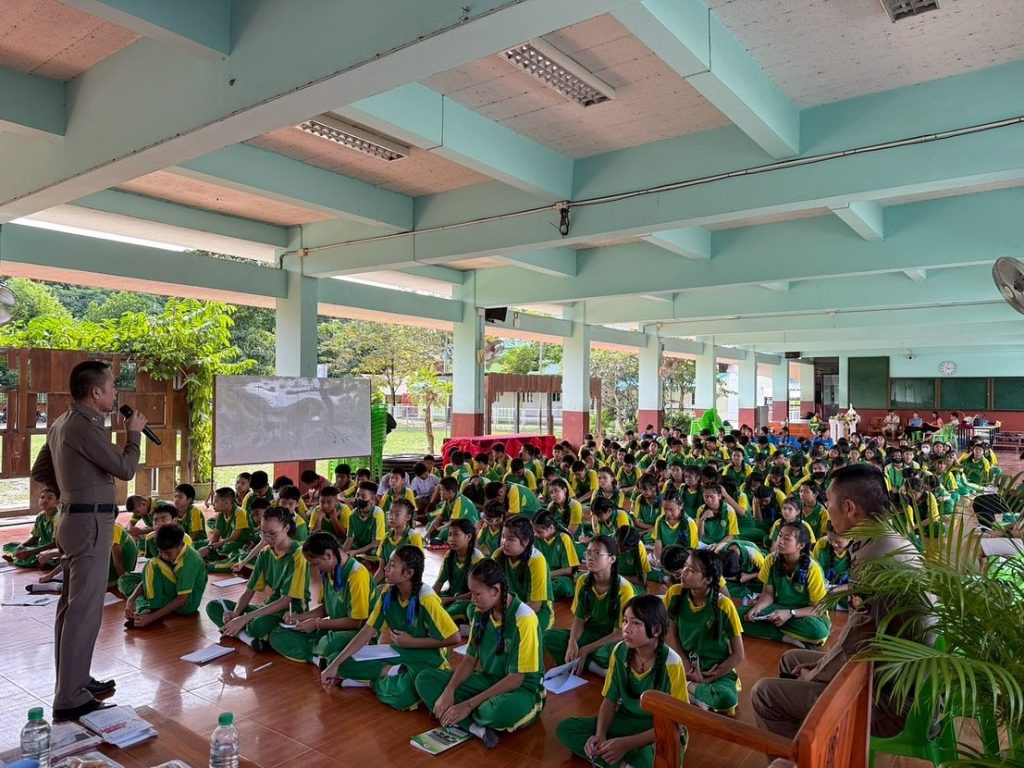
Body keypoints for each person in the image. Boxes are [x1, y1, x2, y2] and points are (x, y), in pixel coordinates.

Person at [751, 463, 922, 739]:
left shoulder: (876, 559)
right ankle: (813, 745)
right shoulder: (886, 541)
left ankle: (808, 754)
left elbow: (858, 641)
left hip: (889, 698)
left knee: (765, 694)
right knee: (791, 659)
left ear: (849, 508)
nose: (826, 508)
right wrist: (819, 671)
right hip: (878, 670)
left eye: (829, 502)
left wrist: (815, 675)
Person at [30, 359, 147, 719]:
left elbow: (40, 470)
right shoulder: (83, 426)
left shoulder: (62, 423)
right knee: (84, 611)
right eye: (111, 387)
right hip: (89, 524)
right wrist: (133, 434)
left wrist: (71, 489)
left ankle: (75, 680)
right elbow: (125, 468)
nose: (115, 394)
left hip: (74, 520)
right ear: (96, 392)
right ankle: (70, 696)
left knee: (72, 607)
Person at [415, 559, 546, 749]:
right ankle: (476, 728)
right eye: (471, 593)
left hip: (522, 690)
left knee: (493, 711)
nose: (472, 599)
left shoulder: (524, 618)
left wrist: (468, 705)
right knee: (425, 679)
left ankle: (462, 714)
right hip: (488, 679)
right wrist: (449, 691)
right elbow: (470, 659)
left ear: (495, 590)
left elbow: (516, 679)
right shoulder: (481, 612)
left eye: (477, 594)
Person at [321, 545, 461, 710]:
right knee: (334, 659)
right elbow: (367, 631)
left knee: (402, 695)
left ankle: (371, 683)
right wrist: (335, 664)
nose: (385, 568)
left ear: (408, 573)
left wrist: (412, 642)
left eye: (392, 565)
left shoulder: (426, 599)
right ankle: (390, 672)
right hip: (397, 652)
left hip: (426, 659)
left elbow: (455, 638)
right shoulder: (388, 593)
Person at [556, 594, 688, 768]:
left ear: (656, 630)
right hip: (625, 721)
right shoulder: (619, 651)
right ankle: (619, 762)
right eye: (625, 621)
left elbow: (677, 723)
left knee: (652, 762)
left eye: (636, 623)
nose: (626, 628)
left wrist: (626, 744)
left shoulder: (672, 663)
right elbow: (609, 700)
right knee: (566, 729)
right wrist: (600, 735)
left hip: (658, 730)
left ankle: (612, 758)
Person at [206, 506, 310, 651]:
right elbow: (249, 590)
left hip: (291, 611)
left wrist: (244, 618)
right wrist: (236, 613)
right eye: (263, 533)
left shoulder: (298, 555)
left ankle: (247, 633)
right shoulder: (265, 553)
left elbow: (286, 601)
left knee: (257, 625)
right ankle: (248, 638)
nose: (267, 538)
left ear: (286, 529)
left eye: (272, 533)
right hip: (270, 606)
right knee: (214, 606)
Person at [268, 531, 371, 665]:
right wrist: (299, 617)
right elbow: (325, 608)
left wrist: (317, 624)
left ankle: (313, 650)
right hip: (334, 628)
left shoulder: (357, 575)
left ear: (328, 555)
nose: (315, 568)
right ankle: (316, 657)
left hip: (357, 633)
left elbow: (356, 623)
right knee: (277, 633)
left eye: (316, 564)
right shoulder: (329, 570)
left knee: (328, 644)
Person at [664, 549, 745, 714]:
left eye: (692, 570)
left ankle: (687, 690)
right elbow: (671, 635)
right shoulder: (675, 593)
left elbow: (738, 654)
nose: (684, 572)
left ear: (707, 579)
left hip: (713, 668)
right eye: (685, 566)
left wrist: (708, 678)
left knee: (727, 699)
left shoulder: (724, 605)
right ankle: (695, 694)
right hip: (682, 660)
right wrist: (686, 666)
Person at [544, 536, 634, 674]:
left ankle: (590, 665)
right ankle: (592, 666)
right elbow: (579, 619)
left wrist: (586, 649)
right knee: (548, 637)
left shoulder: (624, 588)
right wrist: (572, 642)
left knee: (604, 653)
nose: (590, 557)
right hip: (592, 631)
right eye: (588, 552)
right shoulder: (583, 581)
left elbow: (619, 633)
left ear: (611, 559)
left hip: (615, 637)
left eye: (597, 553)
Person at [739, 523, 830, 647]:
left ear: (801, 545)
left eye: (787, 538)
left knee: (818, 631)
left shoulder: (812, 568)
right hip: (778, 608)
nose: (780, 541)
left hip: (803, 614)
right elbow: (768, 594)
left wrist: (790, 613)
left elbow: (818, 609)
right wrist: (757, 608)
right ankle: (787, 638)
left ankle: (769, 629)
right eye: (779, 536)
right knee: (739, 616)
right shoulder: (771, 560)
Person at [124, 524, 207, 628]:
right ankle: (147, 608)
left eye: (168, 553)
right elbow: (148, 576)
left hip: (187, 605)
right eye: (160, 552)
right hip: (175, 593)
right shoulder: (168, 551)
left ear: (181, 545)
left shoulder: (188, 562)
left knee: (152, 564)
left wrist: (151, 617)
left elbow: (182, 599)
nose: (164, 555)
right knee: (127, 580)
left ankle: (152, 610)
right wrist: (131, 599)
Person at [433, 518, 484, 623]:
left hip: (468, 600)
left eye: (456, 534)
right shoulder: (449, 556)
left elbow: (477, 592)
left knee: (444, 615)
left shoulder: (477, 559)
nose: (451, 539)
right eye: (449, 535)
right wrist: (429, 598)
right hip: (451, 595)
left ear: (468, 537)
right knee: (429, 603)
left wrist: (451, 600)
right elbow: (438, 584)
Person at [3, 487, 60, 568]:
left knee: (32, 557)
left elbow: (55, 544)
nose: (44, 500)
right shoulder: (40, 516)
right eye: (42, 497)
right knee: (9, 546)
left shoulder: (57, 517)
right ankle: (18, 557)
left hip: (52, 549)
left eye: (50, 498)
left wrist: (29, 552)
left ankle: (17, 557)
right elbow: (35, 538)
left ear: (57, 502)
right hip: (40, 546)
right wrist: (21, 546)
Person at [532, 511, 581, 599]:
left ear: (551, 527)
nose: (536, 534)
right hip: (539, 575)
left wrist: (546, 575)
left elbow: (568, 570)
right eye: (534, 531)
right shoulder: (536, 539)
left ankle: (537, 594)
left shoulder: (563, 538)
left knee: (564, 586)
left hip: (559, 577)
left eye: (539, 532)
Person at [374, 498, 423, 583]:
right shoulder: (386, 538)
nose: (391, 517)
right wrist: (371, 586)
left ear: (408, 517)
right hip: (388, 582)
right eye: (390, 513)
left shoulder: (413, 537)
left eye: (397, 514)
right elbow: (381, 570)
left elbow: (417, 571)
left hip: (405, 584)